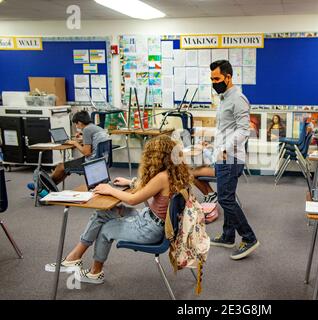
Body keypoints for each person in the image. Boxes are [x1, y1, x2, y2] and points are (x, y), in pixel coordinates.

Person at [44, 135, 192, 284]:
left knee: (106, 229)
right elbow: (150, 189)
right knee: (103, 212)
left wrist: (110, 189)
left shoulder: (162, 177)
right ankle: (74, 257)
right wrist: (130, 182)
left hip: (150, 229)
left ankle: (95, 272)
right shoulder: (175, 173)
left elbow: (133, 200)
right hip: (154, 222)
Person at [208, 60, 259, 260]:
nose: (214, 82)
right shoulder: (224, 98)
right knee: (227, 195)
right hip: (223, 155)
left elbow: (244, 130)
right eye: (212, 78)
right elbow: (225, 128)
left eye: (217, 78)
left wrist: (224, 149)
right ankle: (229, 235)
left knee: (225, 199)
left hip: (230, 157)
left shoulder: (238, 99)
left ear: (228, 77)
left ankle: (248, 237)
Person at [27, 111, 109, 193]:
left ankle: (40, 187)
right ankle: (43, 188)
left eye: (76, 124)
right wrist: (82, 139)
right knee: (65, 169)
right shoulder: (96, 128)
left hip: (91, 163)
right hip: (101, 161)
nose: (77, 127)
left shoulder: (87, 130)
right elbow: (94, 143)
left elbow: (86, 152)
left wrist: (75, 143)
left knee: (61, 166)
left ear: (79, 122)